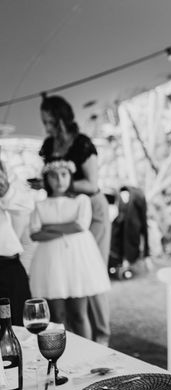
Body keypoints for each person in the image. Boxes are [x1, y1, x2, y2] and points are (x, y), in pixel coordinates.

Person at [38, 95, 111, 345]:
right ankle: (75, 336)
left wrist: (62, 181)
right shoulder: (49, 145)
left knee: (92, 272)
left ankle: (101, 337)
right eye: (44, 122)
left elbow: (91, 183)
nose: (46, 127)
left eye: (50, 121)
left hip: (92, 206)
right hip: (65, 211)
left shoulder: (82, 144)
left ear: (62, 118)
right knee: (69, 274)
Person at [29, 160, 110, 337]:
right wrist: (67, 228)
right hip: (51, 263)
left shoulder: (81, 200)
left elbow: (80, 225)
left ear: (70, 176)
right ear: (46, 179)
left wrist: (48, 228)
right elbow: (34, 234)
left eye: (64, 175)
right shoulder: (41, 206)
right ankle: (60, 353)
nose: (59, 180)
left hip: (77, 261)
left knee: (78, 313)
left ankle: (86, 352)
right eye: (53, 176)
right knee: (57, 315)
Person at [0, 160, 34, 325]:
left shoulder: (4, 169)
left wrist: (7, 192)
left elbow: (27, 205)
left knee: (20, 326)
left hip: (7, 266)